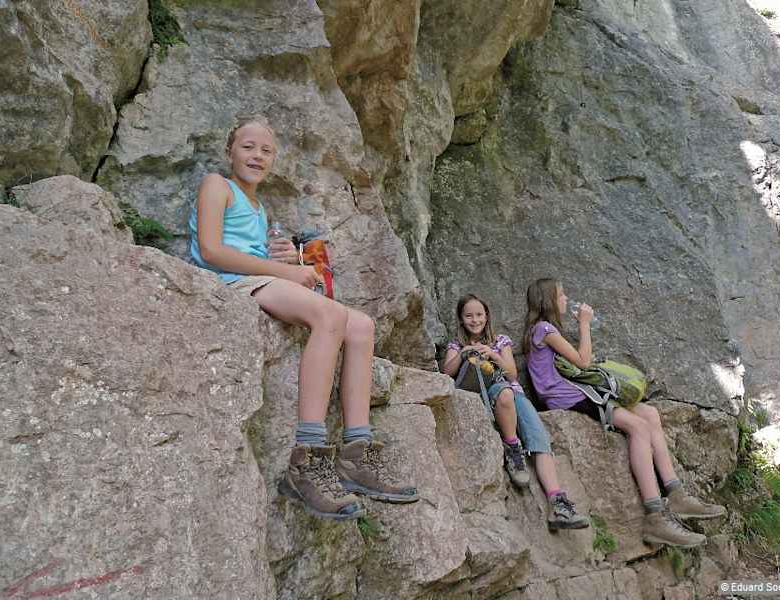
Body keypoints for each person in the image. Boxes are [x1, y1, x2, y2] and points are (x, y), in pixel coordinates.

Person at [189, 115, 418, 520]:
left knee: (361, 326)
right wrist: (286, 272)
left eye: (266, 150)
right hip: (230, 282)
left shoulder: (259, 209)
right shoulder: (216, 185)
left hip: (258, 278)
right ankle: (307, 460)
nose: (257, 155)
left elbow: (251, 253)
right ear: (229, 152)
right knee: (328, 315)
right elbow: (211, 250)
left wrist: (285, 261)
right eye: (247, 146)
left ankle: (357, 453)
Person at [522, 278, 725, 547]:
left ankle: (676, 493)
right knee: (638, 427)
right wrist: (585, 324)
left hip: (576, 393)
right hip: (566, 398)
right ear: (549, 300)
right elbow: (583, 361)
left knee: (649, 414)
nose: (566, 299)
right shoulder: (544, 329)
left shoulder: (542, 330)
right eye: (561, 294)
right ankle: (655, 515)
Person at [442, 293, 588, 531]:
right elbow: (447, 372)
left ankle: (557, 502)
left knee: (538, 435)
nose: (475, 320)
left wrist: (493, 354)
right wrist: (464, 352)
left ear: (487, 316)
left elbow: (511, 374)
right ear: (461, 318)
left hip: (511, 392)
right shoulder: (456, 345)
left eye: (479, 314)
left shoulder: (500, 341)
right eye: (469, 316)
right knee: (504, 394)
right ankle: (512, 446)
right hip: (482, 394)